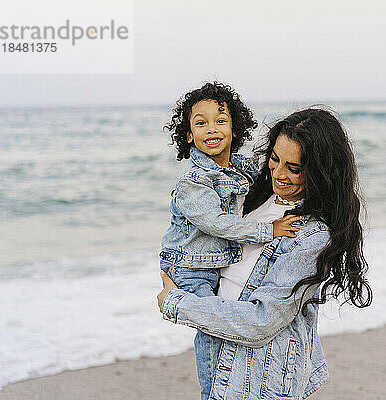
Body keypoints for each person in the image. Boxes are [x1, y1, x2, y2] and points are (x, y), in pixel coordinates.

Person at [157, 107, 373, 400]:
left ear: (321, 171)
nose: (279, 174)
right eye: (274, 159)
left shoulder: (312, 235)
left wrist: (178, 304)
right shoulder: (255, 195)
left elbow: (261, 319)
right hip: (224, 358)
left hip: (260, 377)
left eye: (294, 168)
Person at [160, 81, 301, 297]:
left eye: (220, 121)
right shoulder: (193, 181)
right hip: (191, 268)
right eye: (201, 124)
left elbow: (271, 184)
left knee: (219, 319)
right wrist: (269, 230)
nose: (211, 129)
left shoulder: (240, 168)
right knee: (211, 322)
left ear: (234, 129)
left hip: (217, 264)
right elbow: (217, 223)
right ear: (189, 135)